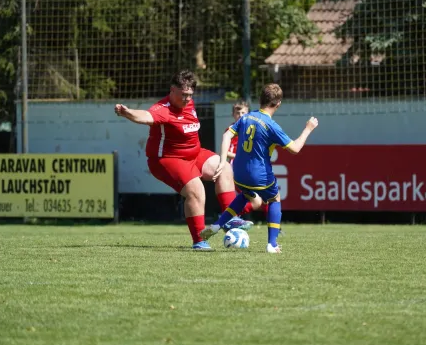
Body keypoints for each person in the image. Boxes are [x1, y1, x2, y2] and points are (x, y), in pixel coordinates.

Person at [114, 69, 252, 251]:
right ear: (172, 90)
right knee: (196, 191)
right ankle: (199, 241)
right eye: (183, 94)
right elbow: (146, 116)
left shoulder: (188, 103)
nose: (187, 99)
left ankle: (229, 220)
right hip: (167, 159)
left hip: (194, 155)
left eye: (190, 95)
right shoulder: (163, 109)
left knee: (224, 167)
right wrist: (127, 112)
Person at [200, 83, 318, 253]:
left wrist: (222, 160)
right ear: (278, 104)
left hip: (238, 173)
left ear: (260, 100)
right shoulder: (271, 125)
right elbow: (295, 148)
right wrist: (308, 128)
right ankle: (272, 244)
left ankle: (218, 225)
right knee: (274, 198)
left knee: (245, 195)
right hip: (258, 174)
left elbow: (227, 134)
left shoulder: (247, 117)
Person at [227, 101, 265, 217]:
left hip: (250, 169)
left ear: (248, 114)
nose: (240, 115)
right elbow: (226, 152)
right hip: (236, 169)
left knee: (260, 199)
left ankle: (229, 218)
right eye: (237, 112)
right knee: (257, 199)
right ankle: (230, 218)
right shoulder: (231, 130)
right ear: (233, 114)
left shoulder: (252, 130)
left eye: (243, 112)